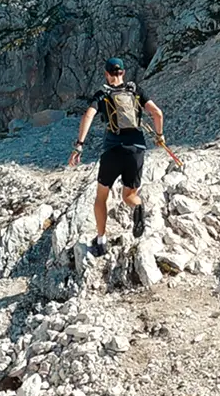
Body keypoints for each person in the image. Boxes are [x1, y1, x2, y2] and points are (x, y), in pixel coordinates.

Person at [68, 57, 164, 256]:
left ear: (106, 73)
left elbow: (88, 116)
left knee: (101, 196)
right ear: (123, 73)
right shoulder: (135, 90)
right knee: (129, 195)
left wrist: (79, 146)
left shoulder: (102, 94)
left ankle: (101, 240)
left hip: (113, 150)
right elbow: (157, 113)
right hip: (137, 149)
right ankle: (137, 207)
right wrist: (159, 135)